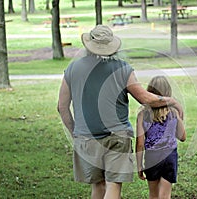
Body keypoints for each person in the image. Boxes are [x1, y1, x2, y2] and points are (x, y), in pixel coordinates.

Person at [57, 25, 183, 199]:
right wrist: (171, 101)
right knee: (113, 184)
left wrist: (76, 134)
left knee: (98, 186)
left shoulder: (73, 69)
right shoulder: (122, 68)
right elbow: (145, 98)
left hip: (86, 137)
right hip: (116, 136)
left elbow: (62, 107)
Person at [135, 76, 186, 199]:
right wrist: (178, 119)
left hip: (152, 157)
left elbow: (140, 143)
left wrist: (139, 165)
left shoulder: (143, 114)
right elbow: (182, 137)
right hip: (169, 156)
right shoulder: (173, 112)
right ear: (168, 93)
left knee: (153, 195)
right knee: (165, 196)